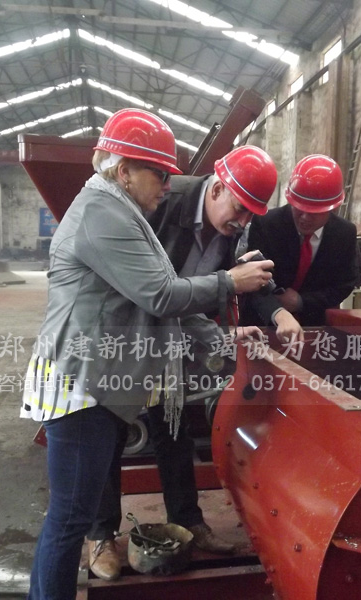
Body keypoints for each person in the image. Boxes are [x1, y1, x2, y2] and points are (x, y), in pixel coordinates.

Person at [20, 108, 274, 600]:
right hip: (81, 384)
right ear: (124, 171)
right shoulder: (102, 214)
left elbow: (167, 296)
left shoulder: (124, 212)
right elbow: (161, 295)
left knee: (71, 515)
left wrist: (225, 344)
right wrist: (228, 282)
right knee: (70, 520)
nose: (168, 185)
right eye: (159, 173)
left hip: (101, 377)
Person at [87, 145, 302, 580]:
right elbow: (147, 284)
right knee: (111, 430)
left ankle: (188, 520)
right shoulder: (159, 199)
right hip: (127, 331)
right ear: (218, 189)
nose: (243, 222)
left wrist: (278, 311)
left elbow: (249, 274)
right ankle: (101, 534)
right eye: (240, 210)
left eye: (251, 215)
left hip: (174, 331)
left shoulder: (235, 225)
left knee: (172, 427)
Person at [242, 154, 358, 329]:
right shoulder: (266, 224)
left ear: (333, 208)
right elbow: (253, 281)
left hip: (313, 325)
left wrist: (301, 301)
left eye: (313, 213)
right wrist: (277, 312)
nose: (304, 217)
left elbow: (344, 285)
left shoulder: (344, 234)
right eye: (299, 208)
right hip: (262, 324)